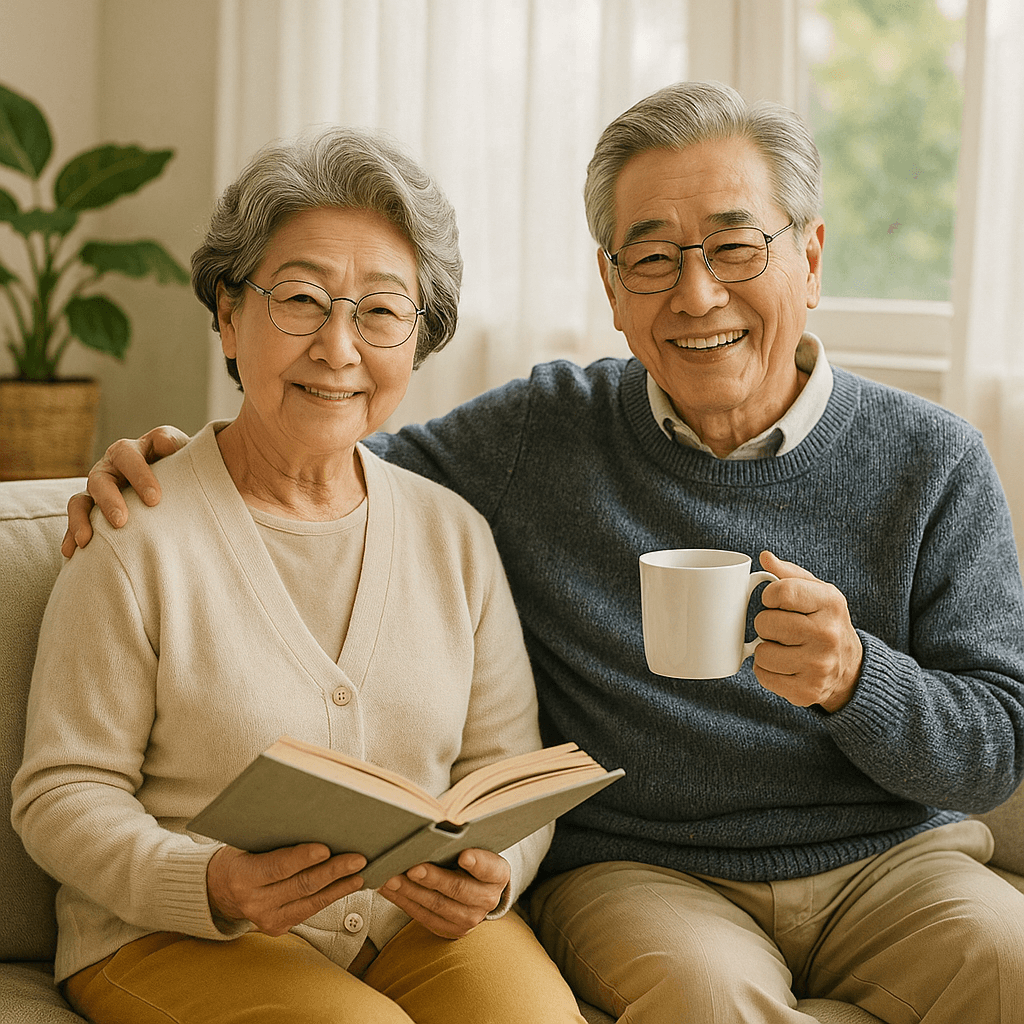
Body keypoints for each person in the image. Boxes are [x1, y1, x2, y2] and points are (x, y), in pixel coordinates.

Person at [65, 82, 1024, 1023]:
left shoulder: (932, 461)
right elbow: (325, 450)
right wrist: (165, 459)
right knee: (706, 1000)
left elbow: (998, 751)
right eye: (650, 258)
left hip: (897, 868)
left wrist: (859, 678)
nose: (696, 293)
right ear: (611, 287)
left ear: (811, 259)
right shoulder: (541, 434)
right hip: (646, 873)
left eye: (735, 246)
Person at [12, 126, 589, 1024]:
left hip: (412, 928)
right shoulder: (136, 529)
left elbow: (503, 767)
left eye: (381, 310)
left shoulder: (454, 534)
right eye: (300, 299)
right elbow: (61, 793)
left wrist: (492, 872)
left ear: (419, 339)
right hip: (174, 931)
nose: (338, 346)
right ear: (228, 315)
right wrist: (209, 881)